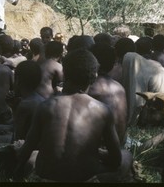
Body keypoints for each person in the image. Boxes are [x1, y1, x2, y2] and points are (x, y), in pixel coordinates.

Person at [13, 48, 133, 182]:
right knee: (126, 155)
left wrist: (17, 171)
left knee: (34, 155)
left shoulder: (46, 106)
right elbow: (116, 160)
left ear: (65, 74)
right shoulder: (102, 110)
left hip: (44, 178)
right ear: (93, 77)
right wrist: (95, 152)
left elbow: (25, 151)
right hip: (84, 179)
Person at [122, 51, 164, 126]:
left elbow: (136, 102)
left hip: (160, 108)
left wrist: (131, 123)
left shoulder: (139, 71)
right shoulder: (152, 68)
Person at [89, 43, 128, 146]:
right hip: (119, 144)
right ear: (113, 63)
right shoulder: (120, 88)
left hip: (100, 147)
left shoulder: (92, 88)